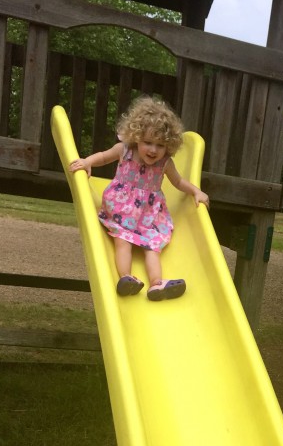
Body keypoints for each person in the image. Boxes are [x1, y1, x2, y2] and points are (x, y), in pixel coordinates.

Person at [69, 95, 209, 301]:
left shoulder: (165, 164)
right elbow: (103, 156)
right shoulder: (125, 150)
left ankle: (156, 284)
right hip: (121, 207)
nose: (153, 150)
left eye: (160, 145)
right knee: (122, 241)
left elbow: (179, 182)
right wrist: (87, 162)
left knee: (153, 246)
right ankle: (125, 278)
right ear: (136, 137)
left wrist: (196, 191)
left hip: (148, 213)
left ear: (169, 146)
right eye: (148, 142)